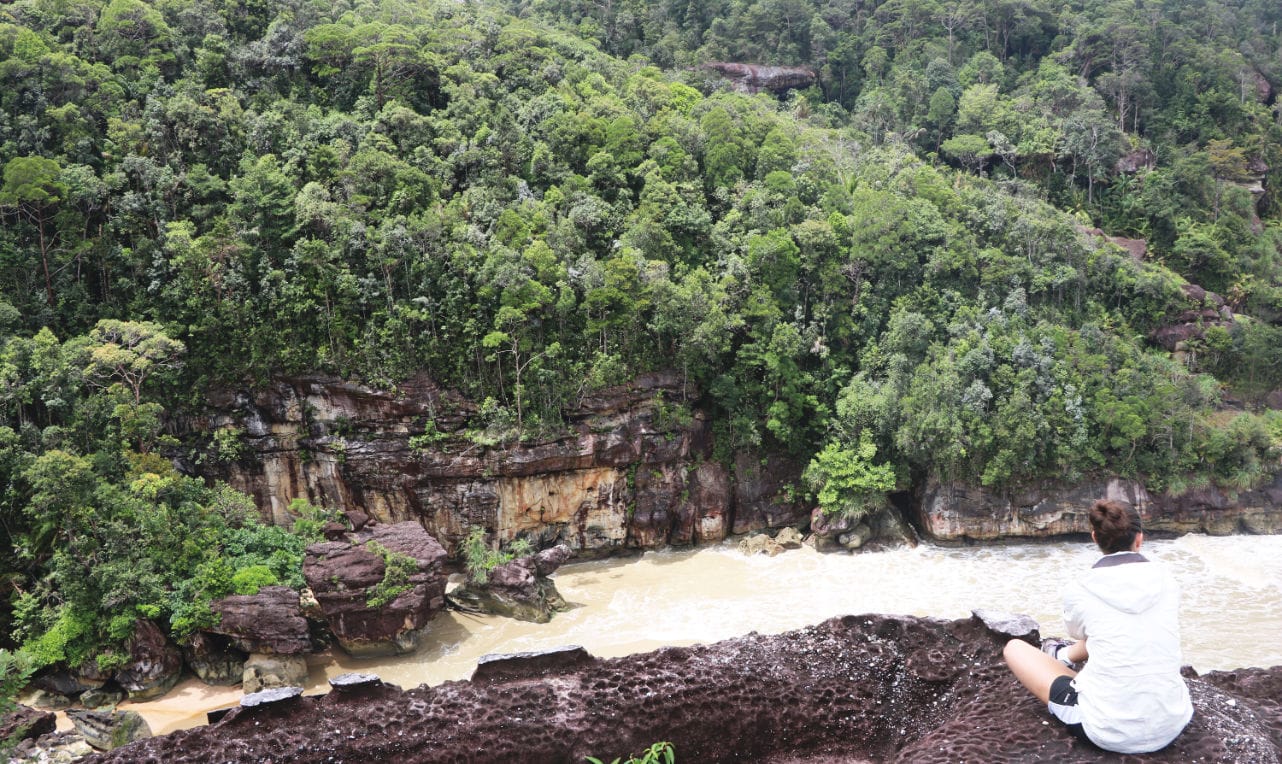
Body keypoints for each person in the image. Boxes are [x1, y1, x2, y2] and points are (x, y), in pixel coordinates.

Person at [1002, 499, 1193, 753]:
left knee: (1014, 648)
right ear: (1139, 539)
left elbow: (1078, 633)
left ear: (1095, 537)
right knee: (1119, 632)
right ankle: (1062, 655)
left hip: (1107, 730)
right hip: (1171, 723)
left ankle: (1060, 655)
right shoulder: (1168, 581)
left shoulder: (1081, 587)